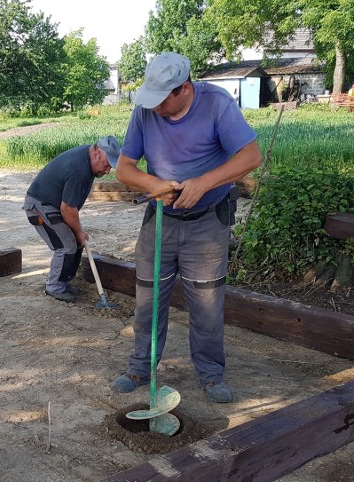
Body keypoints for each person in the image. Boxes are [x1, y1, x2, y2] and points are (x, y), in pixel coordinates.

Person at [110, 52, 262, 403]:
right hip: (160, 218)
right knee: (148, 298)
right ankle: (140, 367)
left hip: (208, 220)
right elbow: (124, 169)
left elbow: (251, 156)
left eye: (162, 100)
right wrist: (152, 185)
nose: (156, 108)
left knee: (207, 301)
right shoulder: (145, 110)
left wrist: (203, 183)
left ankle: (210, 374)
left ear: (184, 89)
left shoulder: (217, 105)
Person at [22, 136, 121, 302]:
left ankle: (64, 282)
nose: (107, 170)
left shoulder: (87, 160)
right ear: (97, 153)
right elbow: (67, 208)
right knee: (67, 245)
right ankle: (55, 287)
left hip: (52, 205)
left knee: (76, 243)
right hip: (39, 206)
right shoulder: (79, 170)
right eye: (106, 164)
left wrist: (78, 233)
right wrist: (79, 231)